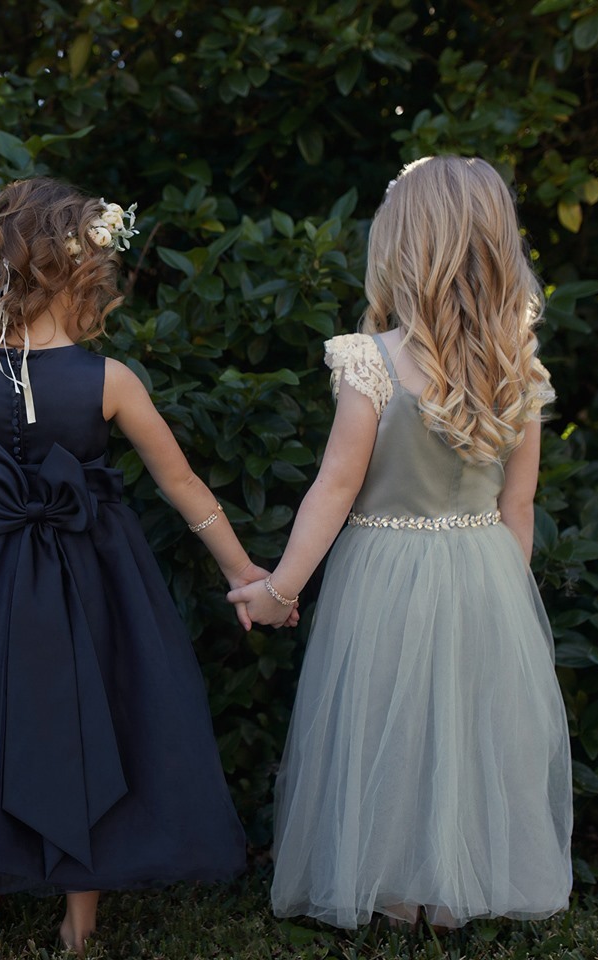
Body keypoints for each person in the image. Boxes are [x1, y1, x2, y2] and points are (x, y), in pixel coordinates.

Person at [0, 178, 265, 954]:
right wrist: (245, 571)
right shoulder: (110, 379)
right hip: (89, 575)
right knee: (90, 717)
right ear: (79, 272)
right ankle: (80, 917)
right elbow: (185, 488)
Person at [229, 155, 572, 929]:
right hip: (486, 568)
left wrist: (280, 590)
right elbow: (520, 507)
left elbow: (335, 488)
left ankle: (390, 885)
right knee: (463, 730)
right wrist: (506, 604)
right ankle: (451, 888)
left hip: (384, 570)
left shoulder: (371, 361)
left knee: (385, 724)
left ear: (405, 248)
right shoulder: (521, 369)